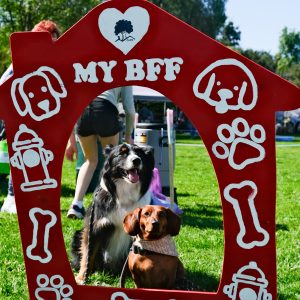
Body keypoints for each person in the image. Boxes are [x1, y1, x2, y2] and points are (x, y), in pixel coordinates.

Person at [0, 20, 61, 213]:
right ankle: (11, 198)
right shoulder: (22, 58)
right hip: (18, 118)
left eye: (54, 41)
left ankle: (33, 198)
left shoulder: (48, 60)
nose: (51, 45)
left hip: (39, 118)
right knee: (21, 155)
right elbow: (4, 83)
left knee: (38, 158)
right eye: (48, 40)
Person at [65, 87, 136, 219]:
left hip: (83, 111)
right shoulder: (124, 71)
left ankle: (76, 205)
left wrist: (70, 140)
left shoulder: (88, 66)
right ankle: (115, 206)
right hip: (105, 110)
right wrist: (128, 136)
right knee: (113, 162)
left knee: (89, 161)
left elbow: (70, 103)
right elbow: (130, 111)